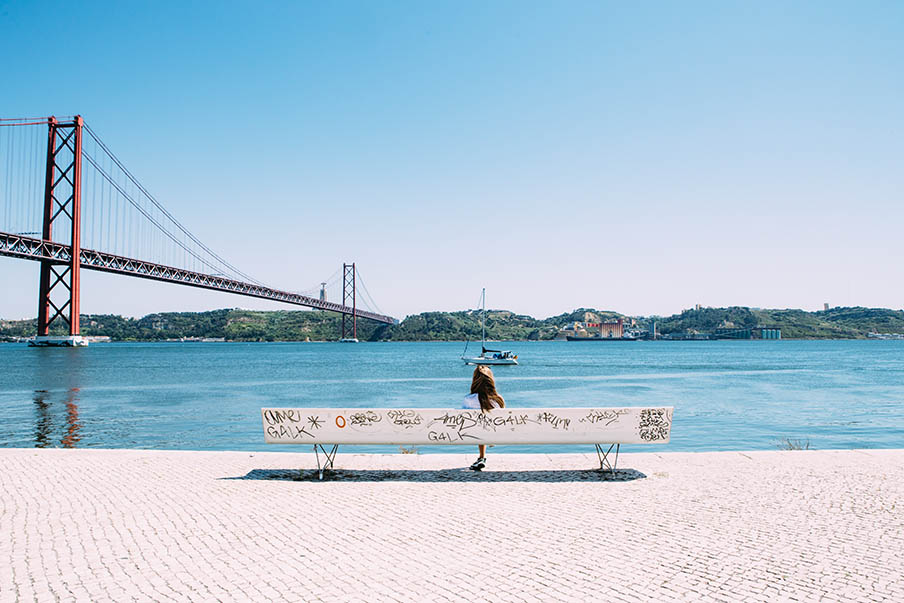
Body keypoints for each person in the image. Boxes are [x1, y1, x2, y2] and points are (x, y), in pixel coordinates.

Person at [463, 365, 505, 470]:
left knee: (479, 427)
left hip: (473, 433)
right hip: (495, 432)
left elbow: (464, 418)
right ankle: (482, 456)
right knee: (484, 427)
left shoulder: (469, 399)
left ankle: (482, 457)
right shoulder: (498, 400)